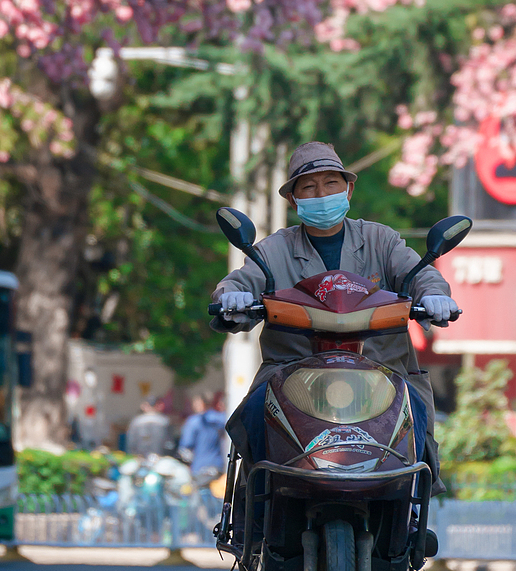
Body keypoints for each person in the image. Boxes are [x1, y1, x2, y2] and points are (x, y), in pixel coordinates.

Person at [210, 140, 455, 480]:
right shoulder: (274, 249)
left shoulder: (381, 240)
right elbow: (239, 282)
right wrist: (231, 298)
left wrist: (433, 296)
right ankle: (253, 506)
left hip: (383, 375)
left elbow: (422, 275)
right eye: (308, 187)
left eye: (330, 184)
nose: (321, 194)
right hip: (291, 376)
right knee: (251, 417)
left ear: (349, 189)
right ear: (294, 200)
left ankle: (411, 512)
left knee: (419, 417)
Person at [178, 393, 227, 483]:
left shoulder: (193, 421)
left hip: (200, 467)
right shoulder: (221, 418)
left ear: (200, 403)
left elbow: (185, 447)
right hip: (218, 465)